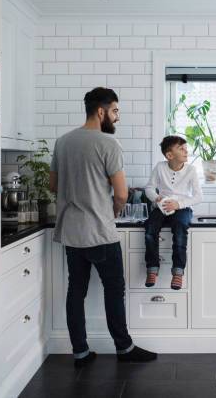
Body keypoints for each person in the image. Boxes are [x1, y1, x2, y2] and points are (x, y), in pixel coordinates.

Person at [50, 87, 156, 367]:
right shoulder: (109, 144)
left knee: (76, 291)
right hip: (99, 231)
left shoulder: (62, 142)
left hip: (71, 232)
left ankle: (80, 353)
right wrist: (111, 211)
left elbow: (52, 185)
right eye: (115, 111)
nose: (117, 117)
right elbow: (121, 194)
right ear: (101, 111)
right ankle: (124, 348)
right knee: (114, 288)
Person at [144, 136, 202, 290]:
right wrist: (157, 198)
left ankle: (178, 271)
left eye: (185, 148)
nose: (186, 151)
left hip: (182, 208)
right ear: (169, 155)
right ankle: (152, 269)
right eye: (181, 148)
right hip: (162, 207)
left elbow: (198, 196)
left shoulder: (191, 170)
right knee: (150, 228)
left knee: (180, 227)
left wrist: (178, 204)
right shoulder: (160, 167)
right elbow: (149, 188)